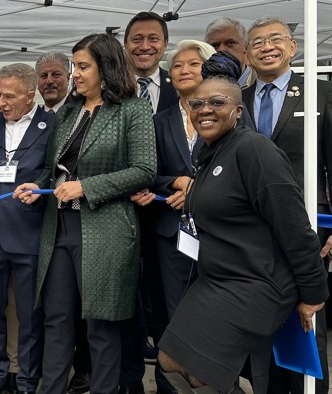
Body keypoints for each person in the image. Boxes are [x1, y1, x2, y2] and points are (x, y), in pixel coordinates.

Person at [156, 64, 328, 394]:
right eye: (197, 104)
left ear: (237, 110)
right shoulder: (208, 153)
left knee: (200, 372)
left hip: (256, 283)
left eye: (217, 103)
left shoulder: (254, 150)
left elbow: (295, 227)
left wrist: (313, 294)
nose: (204, 110)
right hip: (216, 279)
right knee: (169, 360)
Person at [14, 33, 156, 393]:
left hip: (106, 229)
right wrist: (37, 185)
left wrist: (86, 187)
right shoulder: (69, 111)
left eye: (82, 66)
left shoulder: (132, 109)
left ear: (105, 67)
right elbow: (54, 168)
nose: (74, 74)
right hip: (59, 225)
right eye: (74, 66)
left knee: (101, 325)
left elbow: (144, 170)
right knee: (57, 319)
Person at [241, 17, 332, 393]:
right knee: (260, 320)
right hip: (251, 229)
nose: (266, 47)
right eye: (257, 42)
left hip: (305, 227)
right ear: (246, 54)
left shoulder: (322, 93)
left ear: (292, 47)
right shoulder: (236, 100)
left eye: (276, 39)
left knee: (309, 318)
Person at [128, 39, 215, 393]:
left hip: (215, 231)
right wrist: (175, 183)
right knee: (169, 310)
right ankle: (168, 384)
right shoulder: (157, 120)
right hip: (169, 231)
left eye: (192, 64)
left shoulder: (222, 113)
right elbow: (148, 170)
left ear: (206, 70)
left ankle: (207, 380)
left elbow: (239, 165)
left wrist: (198, 189)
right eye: (177, 65)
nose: (183, 71)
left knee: (210, 310)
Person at [0, 63, 51, 394]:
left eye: (9, 96)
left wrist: (40, 185)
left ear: (30, 96)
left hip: (27, 231)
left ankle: (26, 378)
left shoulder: (52, 125)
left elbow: (53, 168)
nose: (0, 102)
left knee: (28, 313)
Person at [204, 17, 255, 89]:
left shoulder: (263, 82)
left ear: (246, 48)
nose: (221, 50)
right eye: (215, 45)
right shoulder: (200, 86)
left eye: (230, 43)